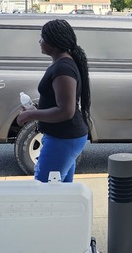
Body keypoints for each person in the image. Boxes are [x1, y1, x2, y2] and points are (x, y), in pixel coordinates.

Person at [16, 19, 91, 182]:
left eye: (42, 37)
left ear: (53, 41)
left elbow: (66, 110)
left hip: (64, 137)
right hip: (64, 136)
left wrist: (31, 115)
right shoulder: (62, 63)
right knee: (61, 189)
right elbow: (58, 102)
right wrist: (36, 108)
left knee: (45, 189)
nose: (39, 41)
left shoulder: (63, 68)